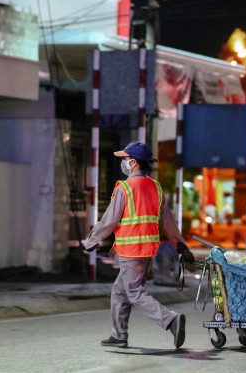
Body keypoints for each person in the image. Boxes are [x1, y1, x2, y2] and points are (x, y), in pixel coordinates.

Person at [83, 141, 195, 349]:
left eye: (125, 159)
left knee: (134, 292)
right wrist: (180, 245)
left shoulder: (125, 188)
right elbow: (168, 221)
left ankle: (171, 321)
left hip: (130, 251)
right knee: (119, 290)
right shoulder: (156, 187)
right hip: (147, 251)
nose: (123, 162)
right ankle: (119, 334)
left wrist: (92, 240)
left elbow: (109, 219)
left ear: (133, 162)